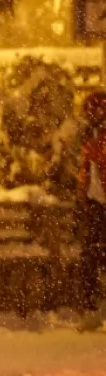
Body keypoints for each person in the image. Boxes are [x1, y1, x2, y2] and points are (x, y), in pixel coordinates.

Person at [79, 91, 106, 324]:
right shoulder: (92, 141)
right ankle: (93, 306)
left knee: (94, 254)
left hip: (98, 204)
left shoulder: (97, 143)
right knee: (92, 254)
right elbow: (86, 175)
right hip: (96, 204)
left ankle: (94, 306)